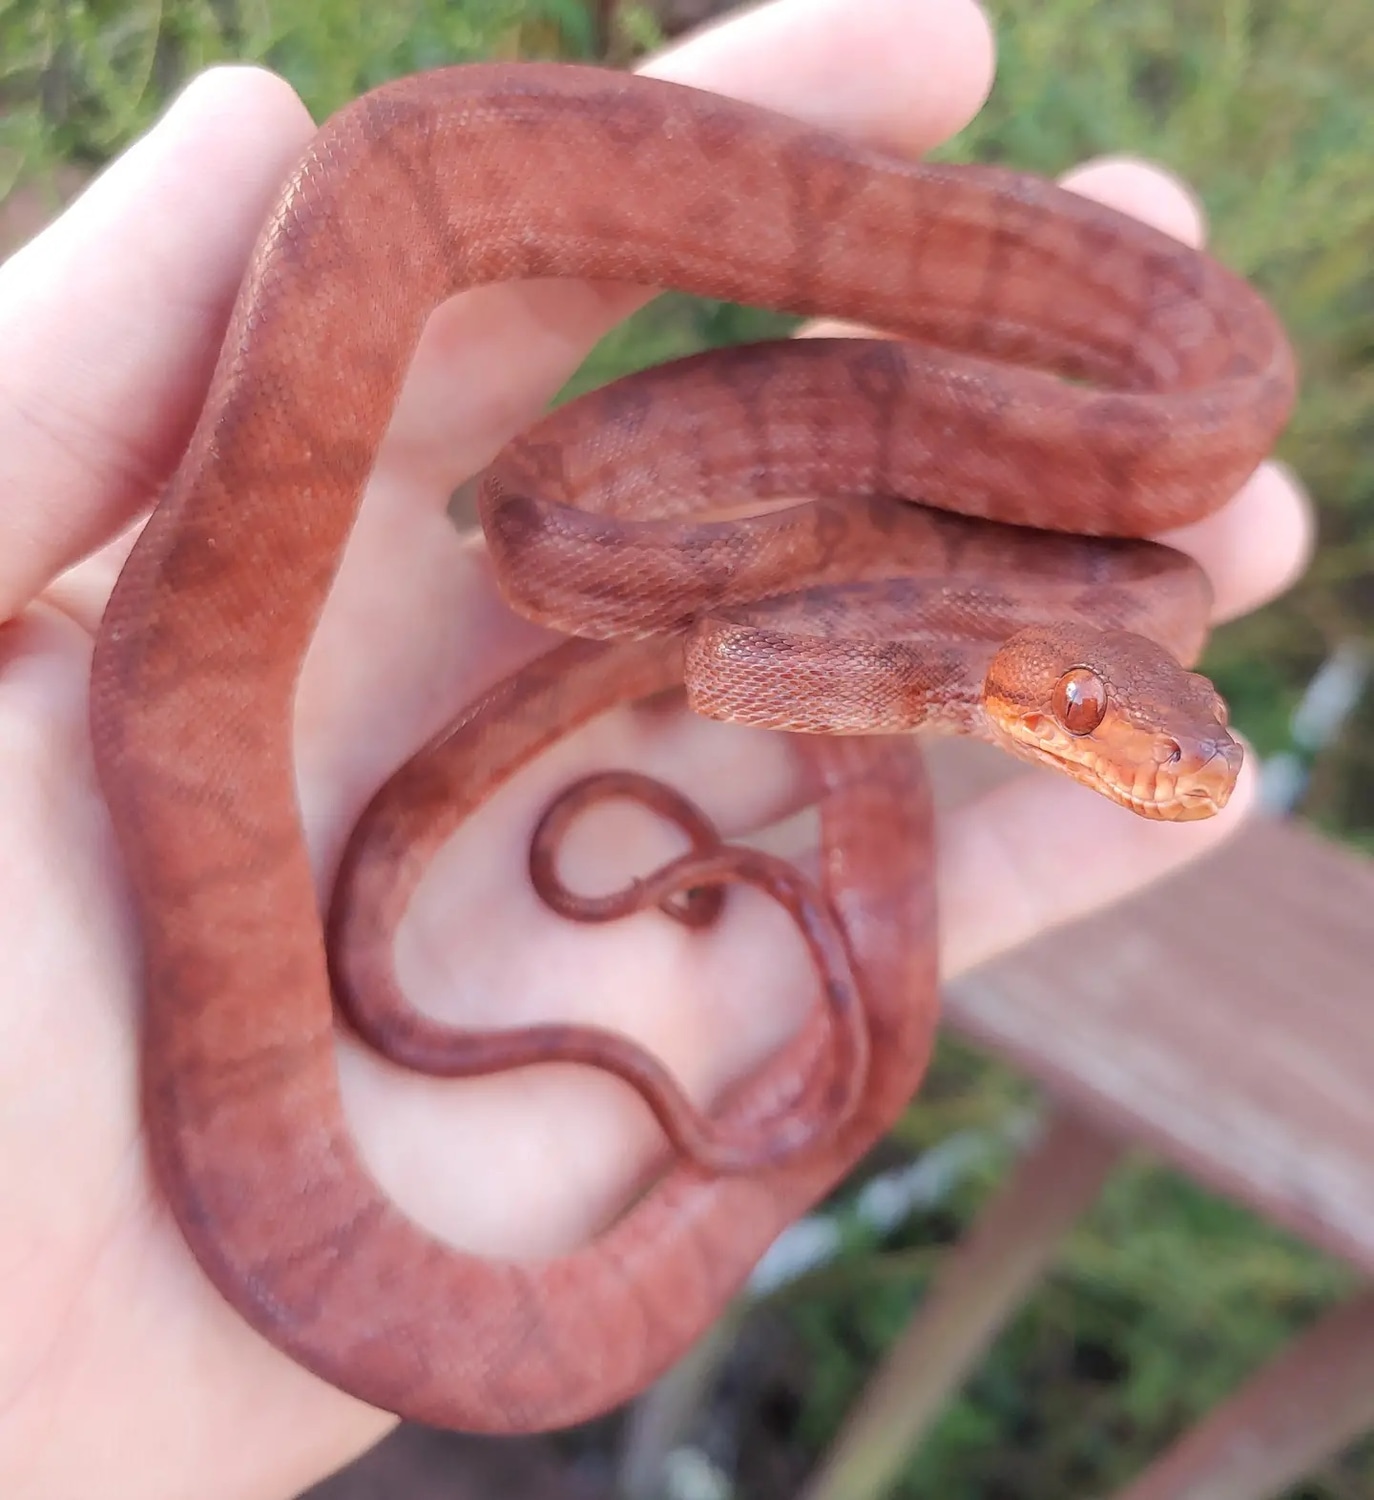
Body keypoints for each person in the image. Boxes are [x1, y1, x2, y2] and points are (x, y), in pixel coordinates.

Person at [0, 0, 1310, 1495]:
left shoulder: (964, 612)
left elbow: (1057, 614)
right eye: (1095, 718)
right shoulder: (618, 538)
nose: (1162, 760)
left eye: (1163, 728)